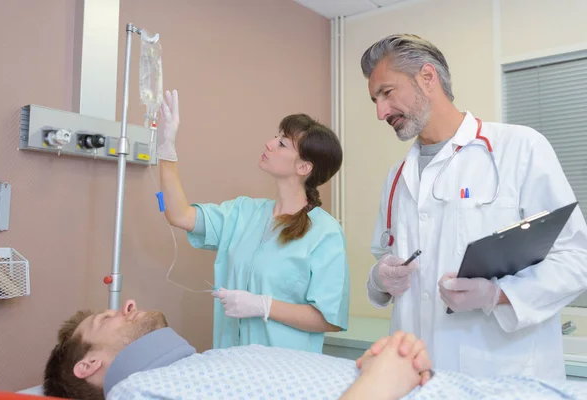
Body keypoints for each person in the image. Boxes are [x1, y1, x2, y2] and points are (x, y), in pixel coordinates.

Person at [361, 33, 587, 379]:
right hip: (418, 377)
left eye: (387, 93)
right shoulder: (397, 177)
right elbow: (384, 258)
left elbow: (576, 259)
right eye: (375, 99)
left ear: (427, 77)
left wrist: (497, 295)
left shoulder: (519, 148)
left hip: (502, 377)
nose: (380, 112)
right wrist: (380, 277)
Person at [40, 300, 587, 400]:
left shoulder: (206, 364)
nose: (126, 304)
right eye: (105, 317)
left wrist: (375, 367)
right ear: (91, 366)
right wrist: (381, 381)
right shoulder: (141, 389)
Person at [156, 90, 350, 353]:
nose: (270, 143)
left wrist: (264, 306)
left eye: (282, 143)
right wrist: (167, 150)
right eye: (276, 137)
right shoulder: (243, 213)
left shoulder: (325, 232)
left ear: (304, 167)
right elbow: (179, 214)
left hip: (284, 374)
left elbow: (329, 318)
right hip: (231, 365)